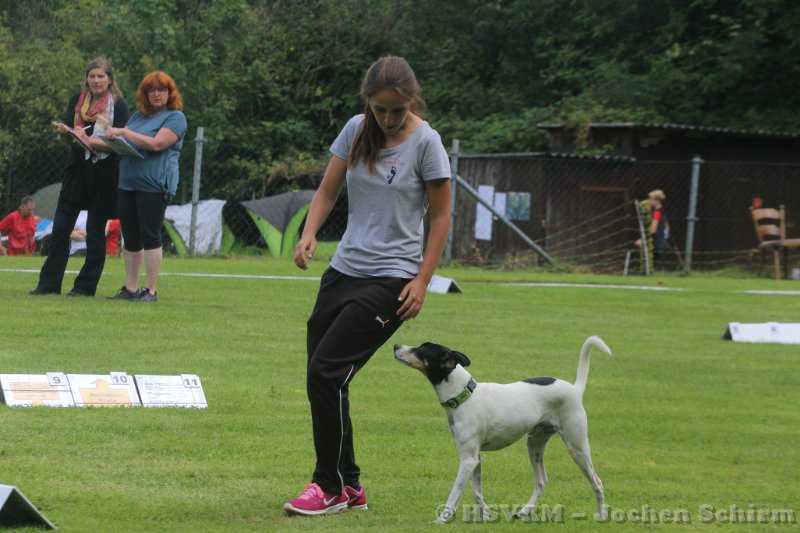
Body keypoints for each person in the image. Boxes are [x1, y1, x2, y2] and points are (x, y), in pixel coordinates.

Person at [284, 56, 452, 516]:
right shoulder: (356, 130)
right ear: (368, 103)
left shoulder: (428, 143)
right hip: (343, 271)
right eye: (380, 110)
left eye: (397, 110)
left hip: (392, 278)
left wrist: (422, 280)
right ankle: (350, 485)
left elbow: (441, 217)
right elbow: (327, 190)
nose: (388, 119)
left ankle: (329, 487)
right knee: (324, 378)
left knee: (327, 373)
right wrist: (309, 232)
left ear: (411, 100)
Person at [30, 58, 130, 296]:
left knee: (95, 231)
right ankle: (48, 285)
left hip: (104, 173)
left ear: (109, 79)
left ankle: (84, 287)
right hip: (76, 170)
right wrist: (64, 133)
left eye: (100, 76)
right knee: (60, 228)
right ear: (87, 78)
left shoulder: (119, 104)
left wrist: (89, 141)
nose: (96, 80)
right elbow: (69, 140)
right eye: (91, 76)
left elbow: (120, 143)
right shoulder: (78, 100)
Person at [105, 71, 187, 302]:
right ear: (145, 94)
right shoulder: (138, 117)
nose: (157, 94)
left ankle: (150, 290)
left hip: (154, 184)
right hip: (127, 183)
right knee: (130, 237)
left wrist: (123, 131)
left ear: (170, 93)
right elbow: (123, 142)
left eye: (162, 90)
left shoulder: (175, 118)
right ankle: (130, 289)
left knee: (150, 235)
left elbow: (157, 144)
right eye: (152, 90)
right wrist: (87, 138)